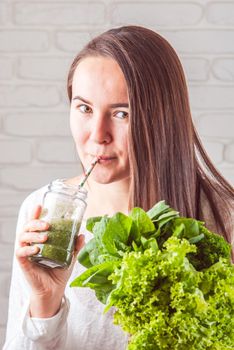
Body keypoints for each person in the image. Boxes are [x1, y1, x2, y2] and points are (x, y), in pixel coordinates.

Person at [3, 25, 233, 350]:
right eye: (84, 108)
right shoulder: (42, 211)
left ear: (162, 120)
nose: (98, 135)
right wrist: (45, 301)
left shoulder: (223, 217)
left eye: (121, 113)